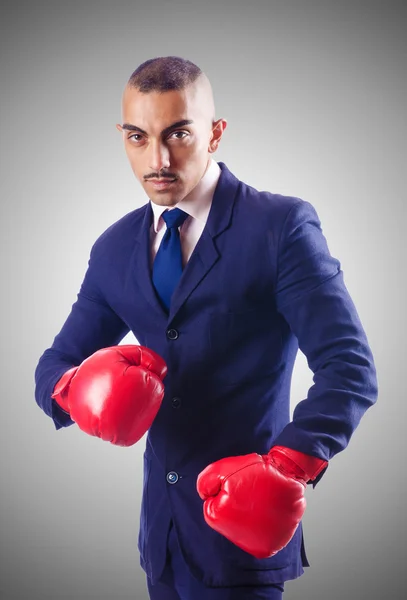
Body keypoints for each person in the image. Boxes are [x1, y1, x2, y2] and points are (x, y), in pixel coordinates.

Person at [34, 56, 378, 600]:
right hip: (161, 542)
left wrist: (287, 465)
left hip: (244, 538)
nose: (159, 158)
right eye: (138, 137)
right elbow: (54, 363)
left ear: (215, 133)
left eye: (178, 134)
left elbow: (350, 369)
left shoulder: (280, 227)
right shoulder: (115, 247)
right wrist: (76, 390)